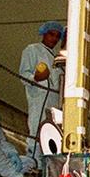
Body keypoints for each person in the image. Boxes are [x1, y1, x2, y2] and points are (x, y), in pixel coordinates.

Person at [19, 20, 64, 167]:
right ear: (44, 34)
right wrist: (37, 77)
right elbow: (24, 74)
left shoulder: (56, 57)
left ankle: (47, 168)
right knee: (36, 131)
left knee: (51, 133)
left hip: (54, 101)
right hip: (39, 98)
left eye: (57, 36)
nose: (54, 39)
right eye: (51, 34)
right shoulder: (32, 50)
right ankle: (32, 164)